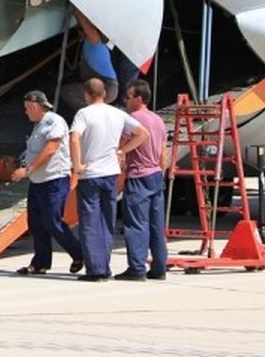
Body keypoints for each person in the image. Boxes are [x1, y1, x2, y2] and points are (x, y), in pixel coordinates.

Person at [69, 78, 148, 281]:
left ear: (86, 95)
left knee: (89, 221)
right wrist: (122, 151)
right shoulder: (118, 113)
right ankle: (104, 266)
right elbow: (142, 133)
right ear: (105, 93)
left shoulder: (83, 114)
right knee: (106, 220)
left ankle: (95, 269)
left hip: (91, 174)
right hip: (111, 173)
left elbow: (74, 137)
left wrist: (77, 165)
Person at [9, 90, 84, 276]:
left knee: (52, 220)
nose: (25, 112)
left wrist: (28, 170)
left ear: (35, 106)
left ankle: (79, 253)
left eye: (27, 108)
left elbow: (51, 148)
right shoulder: (37, 126)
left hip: (54, 180)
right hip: (38, 181)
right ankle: (40, 263)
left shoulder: (54, 121)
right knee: (35, 222)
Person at [118, 79, 170, 281]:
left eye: (128, 97)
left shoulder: (133, 119)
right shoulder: (158, 120)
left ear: (138, 98)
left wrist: (120, 155)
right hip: (156, 174)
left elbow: (122, 142)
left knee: (136, 223)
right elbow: (163, 155)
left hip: (139, 175)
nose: (126, 100)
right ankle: (159, 267)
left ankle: (137, 268)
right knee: (156, 225)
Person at [60, 8, 120, 112]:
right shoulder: (93, 42)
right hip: (104, 85)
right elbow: (84, 28)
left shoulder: (96, 42)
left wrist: (78, 12)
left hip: (107, 87)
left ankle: (91, 115)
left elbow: (88, 29)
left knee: (69, 92)